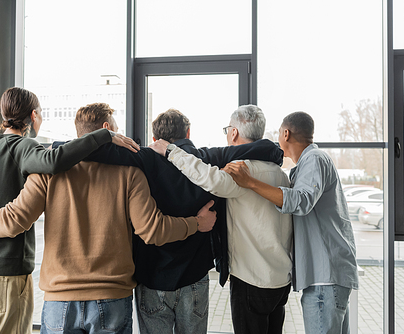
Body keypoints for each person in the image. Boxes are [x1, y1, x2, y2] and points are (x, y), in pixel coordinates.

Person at [0, 102, 217, 334]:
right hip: (112, 297)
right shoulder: (129, 173)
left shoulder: (48, 173)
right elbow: (152, 230)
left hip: (59, 300)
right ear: (107, 129)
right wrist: (196, 223)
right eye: (118, 130)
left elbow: (15, 219)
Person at [53, 108, 284, 334]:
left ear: (155, 138)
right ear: (189, 133)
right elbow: (255, 149)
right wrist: (276, 152)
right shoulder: (206, 159)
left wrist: (56, 148)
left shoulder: (143, 158)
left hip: (153, 277)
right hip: (194, 276)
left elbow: (93, 152)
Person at [0, 89, 138, 334]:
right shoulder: (23, 147)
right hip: (6, 275)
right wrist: (103, 137)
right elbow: (54, 162)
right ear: (34, 115)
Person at [150, 105, 293, 334]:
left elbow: (208, 178)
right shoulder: (281, 175)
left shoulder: (242, 172)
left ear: (234, 133)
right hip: (281, 279)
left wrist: (171, 151)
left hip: (252, 280)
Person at [223, 111, 359, 334]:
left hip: (324, 279)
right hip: (325, 278)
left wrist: (250, 182)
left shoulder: (315, 159)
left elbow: (301, 200)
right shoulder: (306, 165)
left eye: (278, 134)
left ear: (285, 133)